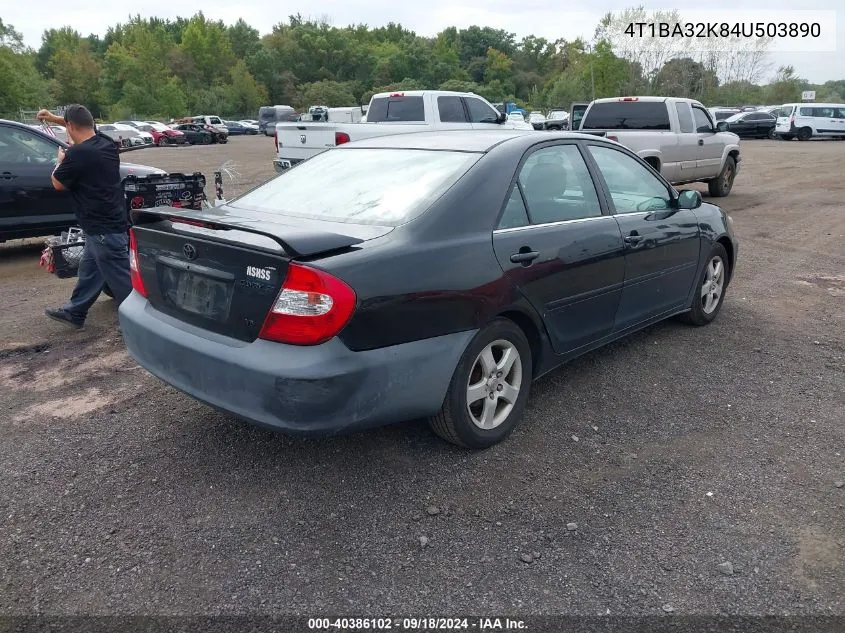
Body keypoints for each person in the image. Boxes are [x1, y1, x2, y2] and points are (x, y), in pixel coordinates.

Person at [37, 105, 132, 329]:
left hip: (103, 231)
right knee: (89, 271)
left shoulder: (78, 154)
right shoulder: (106, 143)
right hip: (103, 226)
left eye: (66, 124)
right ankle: (75, 311)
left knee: (123, 281)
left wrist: (60, 159)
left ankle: (143, 322)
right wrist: (53, 118)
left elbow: (57, 183)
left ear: (70, 126)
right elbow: (80, 125)